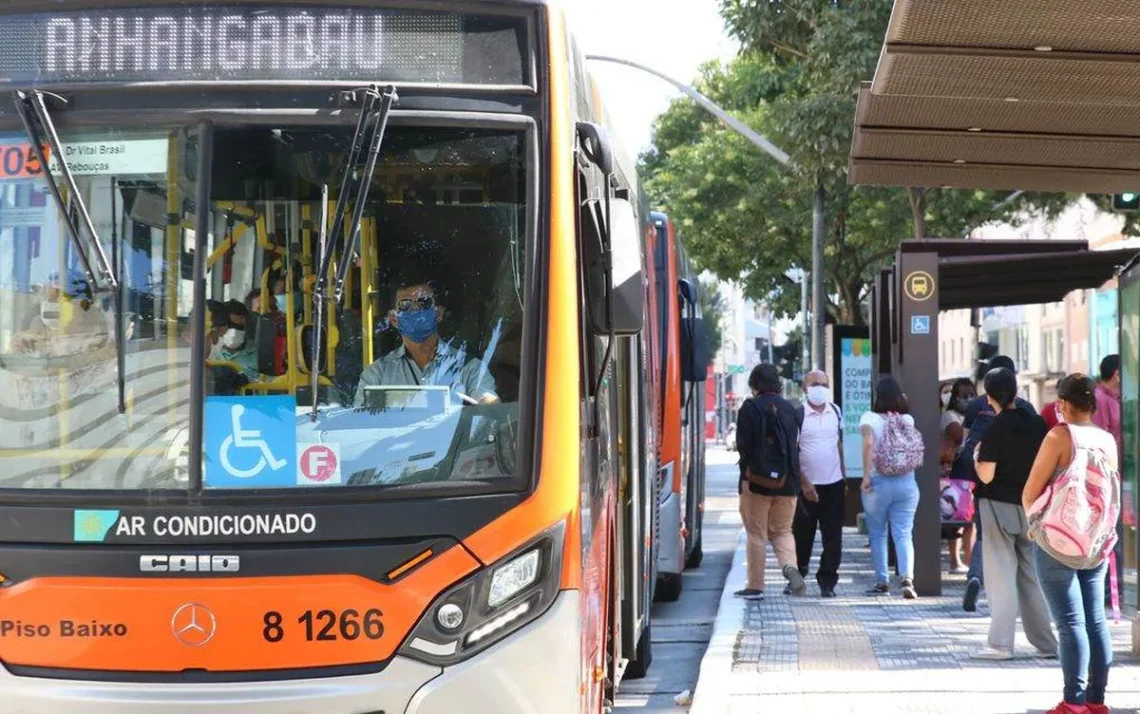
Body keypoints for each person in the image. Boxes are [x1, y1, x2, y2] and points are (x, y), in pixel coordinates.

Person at [1023, 374, 1118, 714]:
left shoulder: (1058, 436)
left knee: (1070, 624)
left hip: (1058, 541)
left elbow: (1030, 491)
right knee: (1095, 621)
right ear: (1091, 403)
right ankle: (1096, 700)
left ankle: (1073, 702)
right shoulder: (1107, 439)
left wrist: (1035, 525)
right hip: (1095, 542)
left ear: (1061, 403)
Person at [971, 367, 1058, 660]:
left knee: (1001, 575)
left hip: (998, 506)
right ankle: (1047, 644)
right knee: (1031, 576)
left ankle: (1000, 644)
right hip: (1032, 508)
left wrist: (975, 458)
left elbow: (986, 475)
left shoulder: (994, 427)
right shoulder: (1035, 423)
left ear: (990, 396)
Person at [958, 355, 1038, 612]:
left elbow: (984, 470)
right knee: (1029, 564)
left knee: (995, 557)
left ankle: (976, 577)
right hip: (1027, 497)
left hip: (993, 497)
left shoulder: (985, 415)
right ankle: (1044, 636)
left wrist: (976, 458)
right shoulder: (1031, 414)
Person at [352, 274, 498, 407]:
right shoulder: (377, 374)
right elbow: (358, 424)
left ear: (438, 314)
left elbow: (489, 403)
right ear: (394, 319)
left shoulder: (470, 369)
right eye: (405, 305)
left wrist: (486, 404)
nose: (415, 310)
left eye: (424, 303)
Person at [734, 363, 806, 600]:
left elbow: (744, 447)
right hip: (788, 483)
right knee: (783, 531)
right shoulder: (792, 409)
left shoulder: (750, 408)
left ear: (754, 384)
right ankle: (790, 567)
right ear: (778, 384)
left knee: (756, 534)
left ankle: (755, 586)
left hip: (757, 482)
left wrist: (745, 476)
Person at [860, 376, 920, 599]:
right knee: (903, 533)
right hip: (906, 483)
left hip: (878, 482)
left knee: (877, 534)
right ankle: (907, 579)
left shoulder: (870, 418)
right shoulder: (907, 419)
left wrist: (866, 476)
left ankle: (882, 581)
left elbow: (867, 444)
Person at [793, 370, 846, 598]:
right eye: (815, 383)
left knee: (833, 537)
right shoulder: (798, 414)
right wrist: (804, 483)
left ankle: (828, 581)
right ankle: (798, 575)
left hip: (833, 484)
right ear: (805, 387)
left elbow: (839, 445)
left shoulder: (835, 411)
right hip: (806, 486)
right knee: (802, 536)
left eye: (824, 384)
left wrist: (843, 476)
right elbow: (792, 453)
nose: (820, 388)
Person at [1094, 354, 1124, 613]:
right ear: (1117, 374)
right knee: (1112, 535)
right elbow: (1102, 442)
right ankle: (1109, 591)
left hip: (1119, 477)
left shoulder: (1114, 399)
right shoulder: (1102, 401)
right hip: (1109, 479)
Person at [941, 378, 976, 573]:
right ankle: (956, 560)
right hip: (954, 473)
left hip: (970, 472)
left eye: (972, 395)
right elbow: (960, 436)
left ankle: (968, 560)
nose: (968, 400)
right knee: (954, 518)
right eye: (964, 396)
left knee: (969, 519)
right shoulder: (949, 416)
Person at [209, 300, 259, 382]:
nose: (234, 332)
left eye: (239, 327)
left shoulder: (259, 352)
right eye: (229, 326)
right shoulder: (210, 352)